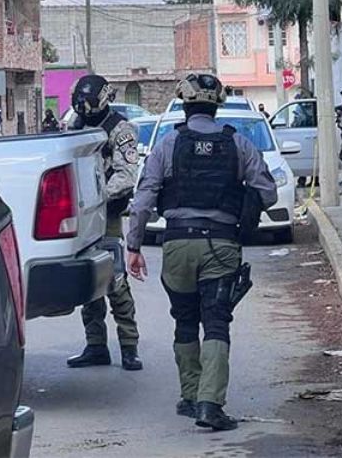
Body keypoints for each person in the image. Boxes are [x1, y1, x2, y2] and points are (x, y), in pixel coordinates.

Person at [127, 73, 278, 431]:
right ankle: (210, 405)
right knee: (216, 321)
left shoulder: (167, 144)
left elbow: (144, 199)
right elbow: (269, 193)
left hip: (177, 244)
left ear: (184, 104)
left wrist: (133, 246)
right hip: (221, 245)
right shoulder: (239, 143)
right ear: (217, 105)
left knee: (184, 320)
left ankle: (191, 396)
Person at [65, 74, 143, 372]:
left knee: (116, 280)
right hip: (81, 214)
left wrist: (97, 196)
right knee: (87, 280)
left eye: (87, 102)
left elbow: (126, 175)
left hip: (106, 213)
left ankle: (129, 346)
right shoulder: (76, 125)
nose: (83, 108)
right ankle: (96, 344)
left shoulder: (120, 130)